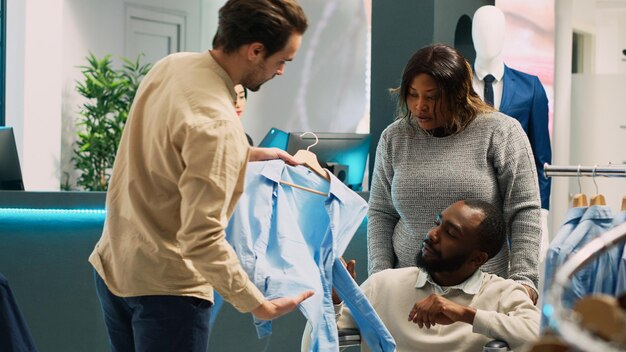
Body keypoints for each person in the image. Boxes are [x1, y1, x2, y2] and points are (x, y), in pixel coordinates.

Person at [88, 0, 313, 351]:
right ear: (255, 50)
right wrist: (260, 305)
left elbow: (163, 147)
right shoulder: (218, 125)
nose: (281, 71)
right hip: (166, 291)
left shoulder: (172, 66)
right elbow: (201, 239)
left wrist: (245, 154)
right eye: (282, 60)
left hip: (116, 266)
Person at [367, 43, 542, 304]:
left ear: (458, 94)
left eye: (432, 96)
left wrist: (524, 281)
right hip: (406, 286)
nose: (419, 106)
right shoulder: (395, 137)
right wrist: (379, 278)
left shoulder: (500, 132)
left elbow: (524, 210)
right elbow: (381, 213)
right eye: (412, 95)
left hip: (482, 292)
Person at [303, 200, 540, 351]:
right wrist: (332, 301)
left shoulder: (502, 293)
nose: (432, 235)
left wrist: (465, 314)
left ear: (477, 259)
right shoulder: (384, 284)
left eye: (451, 233)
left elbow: (538, 335)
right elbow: (315, 346)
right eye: (438, 223)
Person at [472, 5, 552, 260]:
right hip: (467, 204)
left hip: (515, 200)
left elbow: (541, 158)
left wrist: (542, 212)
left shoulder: (530, 88)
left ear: (505, 34)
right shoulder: (457, 86)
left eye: (494, 30)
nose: (487, 37)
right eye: (480, 30)